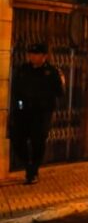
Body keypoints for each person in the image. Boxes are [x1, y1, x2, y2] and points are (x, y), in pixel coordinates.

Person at [9, 42, 65, 184]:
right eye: (31, 54)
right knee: (17, 139)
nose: (32, 57)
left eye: (36, 54)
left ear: (44, 56)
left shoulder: (52, 72)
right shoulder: (23, 69)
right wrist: (19, 106)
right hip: (23, 112)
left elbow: (59, 92)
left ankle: (33, 171)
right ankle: (28, 165)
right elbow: (15, 91)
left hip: (41, 113)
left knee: (37, 142)